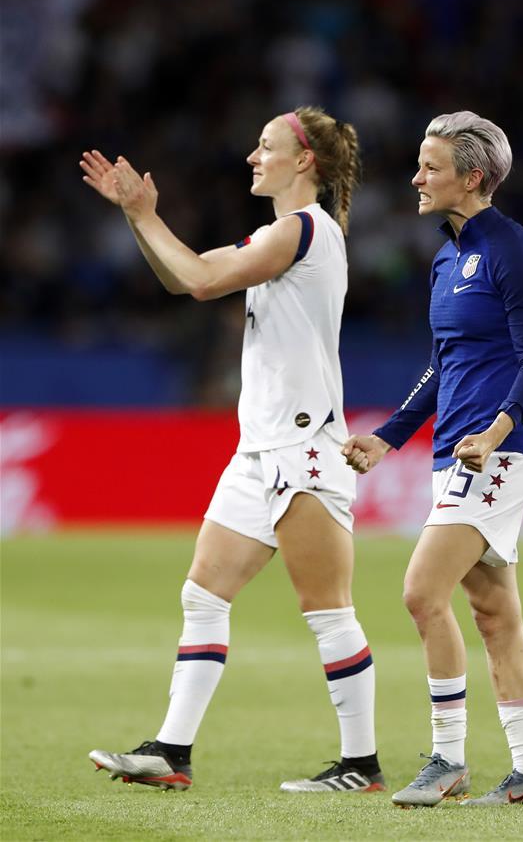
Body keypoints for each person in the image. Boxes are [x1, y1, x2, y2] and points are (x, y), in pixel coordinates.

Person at [79, 107, 385, 794]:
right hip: (259, 452)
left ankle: (360, 764)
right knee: (203, 593)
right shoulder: (279, 234)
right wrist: (137, 215)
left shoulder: (305, 229)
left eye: (265, 146)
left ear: (303, 161)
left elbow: (201, 281)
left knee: (328, 609)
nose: (253, 155)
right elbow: (182, 273)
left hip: (305, 449)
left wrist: (146, 214)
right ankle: (171, 749)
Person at [343, 111, 523, 807]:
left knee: (419, 591)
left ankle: (447, 758)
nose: (415, 176)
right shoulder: (445, 257)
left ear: (471, 176)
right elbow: (440, 367)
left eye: (429, 166)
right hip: (454, 453)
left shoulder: (514, 250)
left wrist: (495, 432)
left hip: (497, 454)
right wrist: (389, 435)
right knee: (495, 614)